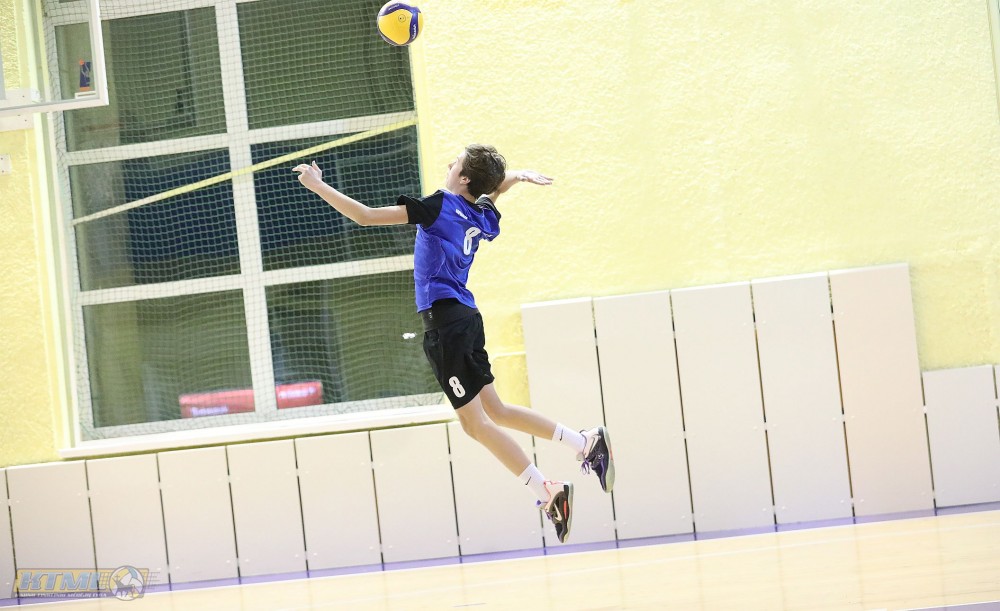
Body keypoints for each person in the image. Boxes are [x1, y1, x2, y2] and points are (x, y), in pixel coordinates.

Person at [293, 144, 614, 543]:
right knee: (496, 410)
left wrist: (318, 186)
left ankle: (549, 489)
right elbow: (492, 193)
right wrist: (513, 177)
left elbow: (365, 216)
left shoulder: (439, 205)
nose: (449, 164)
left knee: (475, 424)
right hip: (466, 319)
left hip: (446, 325)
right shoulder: (480, 215)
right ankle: (584, 443)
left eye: (456, 162)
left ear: (463, 178)